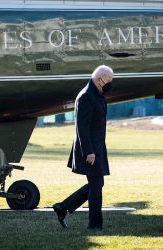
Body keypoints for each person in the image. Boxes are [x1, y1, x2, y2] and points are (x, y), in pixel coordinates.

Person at [53, 65, 114, 231]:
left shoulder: (97, 94)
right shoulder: (86, 96)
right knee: (96, 187)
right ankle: (95, 226)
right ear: (99, 79)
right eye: (108, 81)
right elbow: (82, 128)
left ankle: (63, 207)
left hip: (97, 148)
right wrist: (89, 152)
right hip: (90, 150)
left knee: (97, 183)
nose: (110, 85)